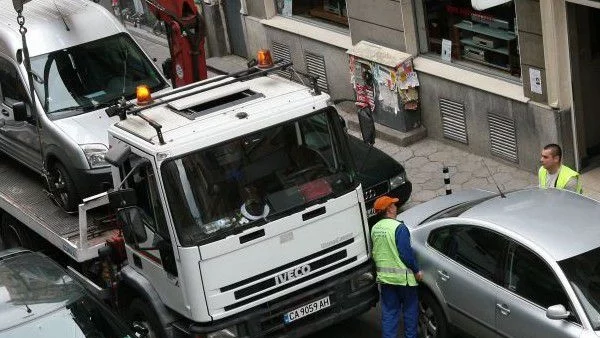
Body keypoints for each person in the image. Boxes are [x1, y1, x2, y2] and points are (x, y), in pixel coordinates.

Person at [371, 196, 422, 338]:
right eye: (393, 205)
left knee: (389, 315)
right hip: (403, 280)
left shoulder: (375, 229)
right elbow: (406, 254)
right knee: (410, 313)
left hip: (386, 280)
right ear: (389, 210)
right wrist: (417, 271)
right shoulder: (399, 228)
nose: (396, 207)